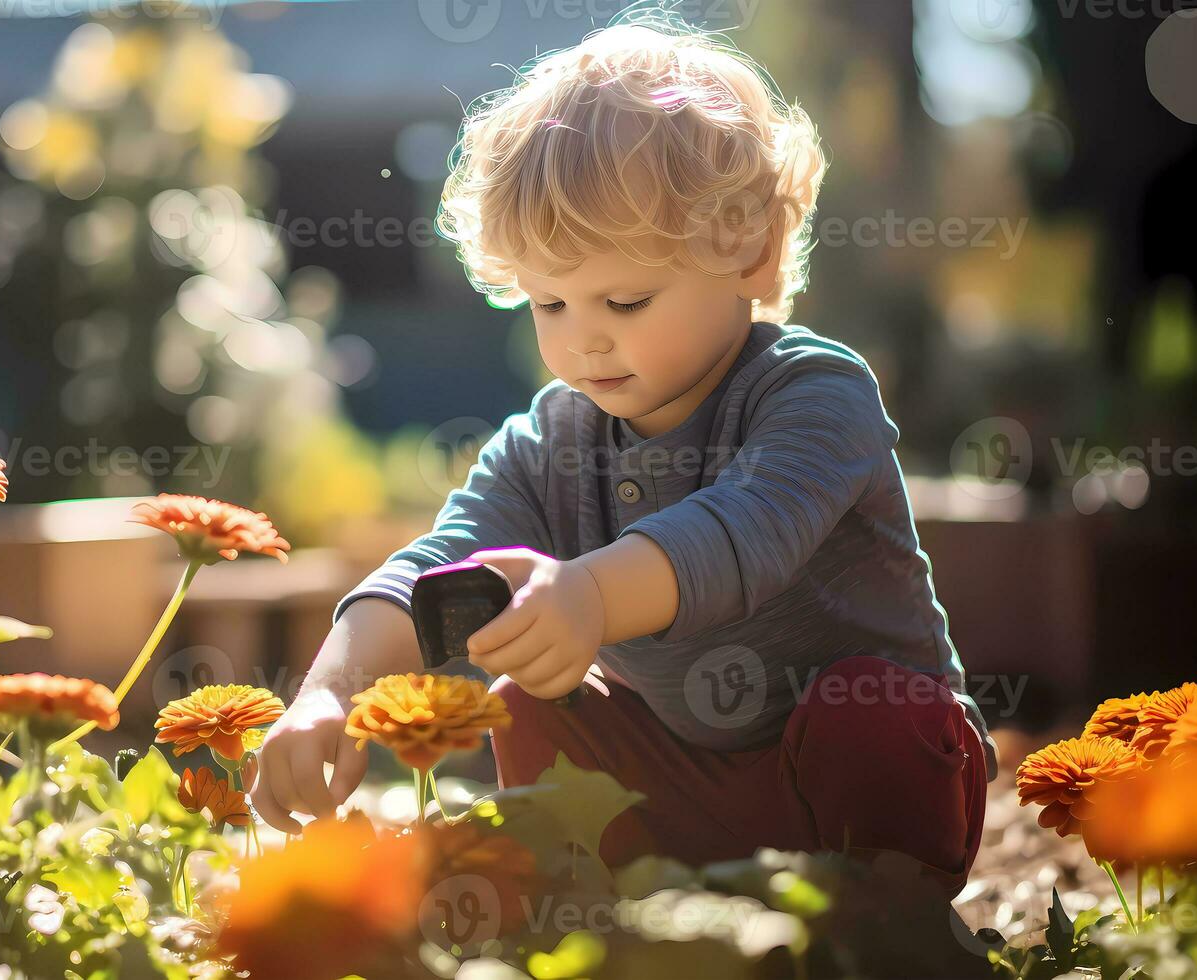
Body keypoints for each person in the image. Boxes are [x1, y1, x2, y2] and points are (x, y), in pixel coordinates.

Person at [250, 16, 995, 897]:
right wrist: (329, 692)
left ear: (749, 252)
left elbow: (739, 536)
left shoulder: (813, 394)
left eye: (627, 298)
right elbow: (434, 566)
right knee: (528, 692)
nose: (585, 342)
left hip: (857, 789)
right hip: (683, 783)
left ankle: (881, 922)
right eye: (550, 303)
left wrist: (591, 595)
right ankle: (593, 894)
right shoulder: (552, 441)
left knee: (872, 715)